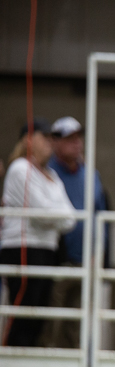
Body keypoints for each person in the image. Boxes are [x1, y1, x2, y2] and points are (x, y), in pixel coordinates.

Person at [0, 118, 76, 347]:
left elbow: (70, 218)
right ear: (29, 140)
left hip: (46, 250)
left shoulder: (51, 175)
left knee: (38, 317)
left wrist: (51, 216)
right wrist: (53, 215)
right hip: (22, 249)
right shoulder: (19, 169)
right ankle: (12, 359)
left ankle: (25, 358)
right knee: (22, 315)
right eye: (45, 137)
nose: (50, 143)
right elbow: (41, 212)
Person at [40, 116, 109, 348]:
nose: (76, 143)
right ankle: (46, 361)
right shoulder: (47, 174)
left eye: (78, 138)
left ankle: (73, 364)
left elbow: (100, 214)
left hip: (86, 261)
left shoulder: (90, 174)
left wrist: (98, 252)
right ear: (55, 142)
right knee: (50, 320)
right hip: (58, 260)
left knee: (78, 324)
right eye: (69, 139)